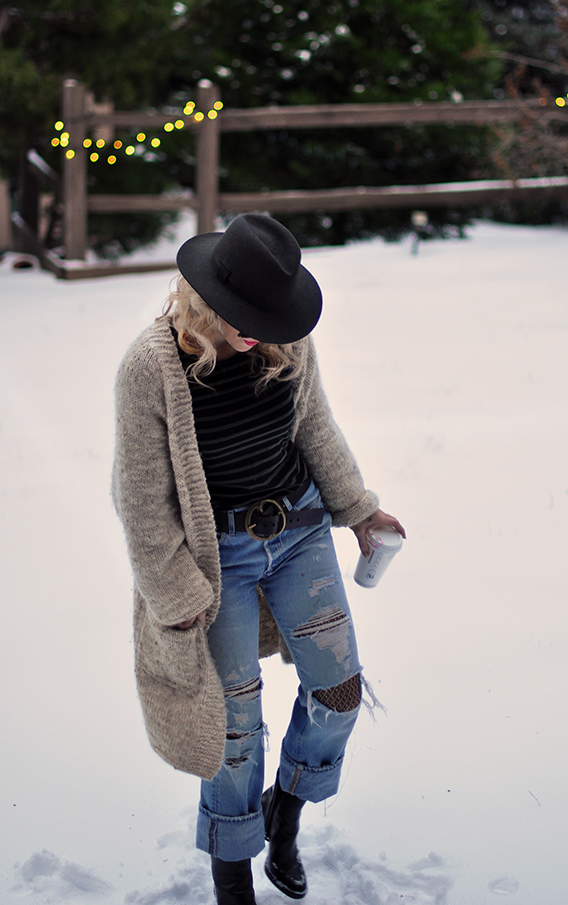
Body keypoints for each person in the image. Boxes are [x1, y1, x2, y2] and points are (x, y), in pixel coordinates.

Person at [112, 213, 405, 905]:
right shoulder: (149, 368)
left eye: (270, 318)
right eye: (248, 317)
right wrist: (177, 597)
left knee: (338, 692)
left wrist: (358, 508)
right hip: (218, 562)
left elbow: (314, 426)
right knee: (234, 727)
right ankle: (231, 872)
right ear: (209, 295)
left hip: (298, 529)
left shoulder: (287, 342)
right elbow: (142, 502)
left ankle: (286, 812)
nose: (260, 331)